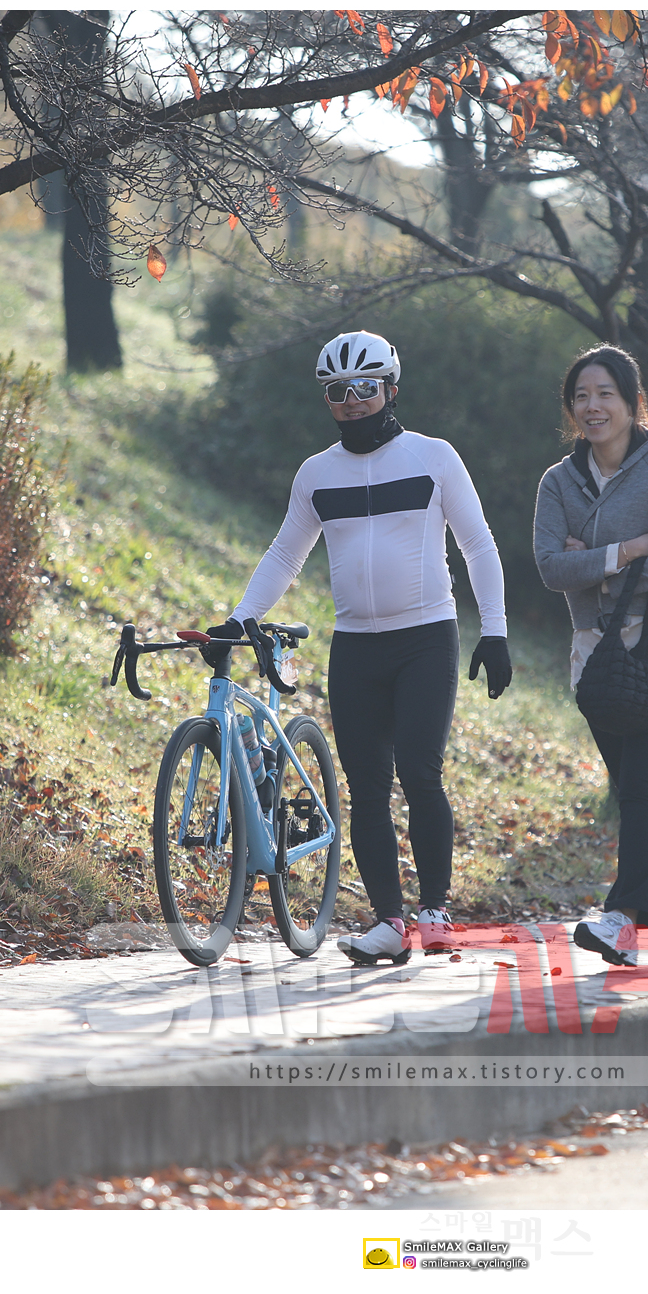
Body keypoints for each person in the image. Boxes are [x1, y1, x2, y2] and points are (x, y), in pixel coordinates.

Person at [210, 330, 513, 967]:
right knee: (367, 789)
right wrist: (240, 618)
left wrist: (496, 630)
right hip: (355, 646)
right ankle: (389, 922)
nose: (351, 400)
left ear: (391, 389)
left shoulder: (434, 458)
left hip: (426, 637)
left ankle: (435, 909)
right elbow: (286, 554)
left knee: (420, 772)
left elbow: (479, 546)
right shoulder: (316, 474)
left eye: (363, 388)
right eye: (336, 391)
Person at [533, 345, 648, 968]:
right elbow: (551, 568)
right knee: (642, 788)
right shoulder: (558, 482)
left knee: (641, 781)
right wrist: (627, 551)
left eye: (605, 394)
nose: (593, 407)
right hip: (599, 653)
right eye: (581, 396)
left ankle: (624, 918)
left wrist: (594, 565)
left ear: (634, 402)